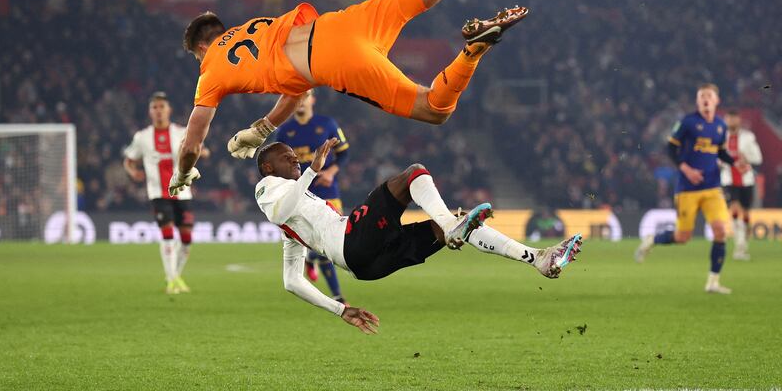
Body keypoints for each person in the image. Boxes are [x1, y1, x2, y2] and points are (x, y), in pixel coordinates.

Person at [168, 0, 584, 193]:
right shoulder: (256, 25)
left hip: (338, 59)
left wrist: (183, 174)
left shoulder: (211, 72)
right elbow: (294, 88)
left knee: (433, 108)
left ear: (201, 49)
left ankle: (473, 49)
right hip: (349, 20)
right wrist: (263, 127)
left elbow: (191, 143)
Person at [245, 138, 582, 333]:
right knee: (413, 174)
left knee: (455, 224)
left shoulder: (294, 224)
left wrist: (339, 310)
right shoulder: (268, 189)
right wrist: (312, 172)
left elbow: (291, 281)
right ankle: (452, 228)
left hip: (367, 265)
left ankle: (536, 258)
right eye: (285, 155)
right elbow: (277, 211)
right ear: (268, 167)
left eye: (294, 154)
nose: (294, 157)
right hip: (351, 240)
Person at [635, 84, 746, 294]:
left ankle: (713, 281)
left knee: (721, 231)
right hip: (688, 188)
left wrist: (735, 163)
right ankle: (652, 239)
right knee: (683, 237)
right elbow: (670, 148)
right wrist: (686, 170)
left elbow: (720, 152)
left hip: (713, 188)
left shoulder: (721, 126)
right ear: (698, 101)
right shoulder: (687, 122)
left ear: (716, 100)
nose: (705, 100)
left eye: (709, 96)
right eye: (702, 96)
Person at [124, 92, 209, 294]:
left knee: (187, 239)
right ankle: (172, 280)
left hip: (183, 193)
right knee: (168, 233)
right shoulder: (142, 137)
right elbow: (129, 159)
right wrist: (132, 171)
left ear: (169, 110)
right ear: (150, 111)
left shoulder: (181, 132)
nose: (158, 111)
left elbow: (199, 148)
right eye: (155, 107)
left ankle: (175, 275)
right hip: (158, 193)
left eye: (162, 107)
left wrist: (202, 152)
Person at [276, 89, 349, 302]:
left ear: (313, 99)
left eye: (305, 96)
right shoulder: (284, 131)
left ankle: (310, 258)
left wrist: (331, 172)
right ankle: (338, 296)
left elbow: (344, 153)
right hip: (301, 195)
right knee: (322, 244)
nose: (301, 101)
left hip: (328, 191)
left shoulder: (327, 124)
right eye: (296, 96)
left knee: (334, 239)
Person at [720, 110, 763, 260]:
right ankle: (738, 246)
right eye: (729, 118)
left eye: (734, 118)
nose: (731, 121)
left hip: (746, 180)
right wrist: (720, 162)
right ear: (726, 120)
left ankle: (743, 245)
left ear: (738, 120)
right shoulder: (720, 138)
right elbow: (714, 157)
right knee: (734, 211)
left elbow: (758, 158)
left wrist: (746, 158)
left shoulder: (748, 137)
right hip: (728, 180)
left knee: (745, 215)